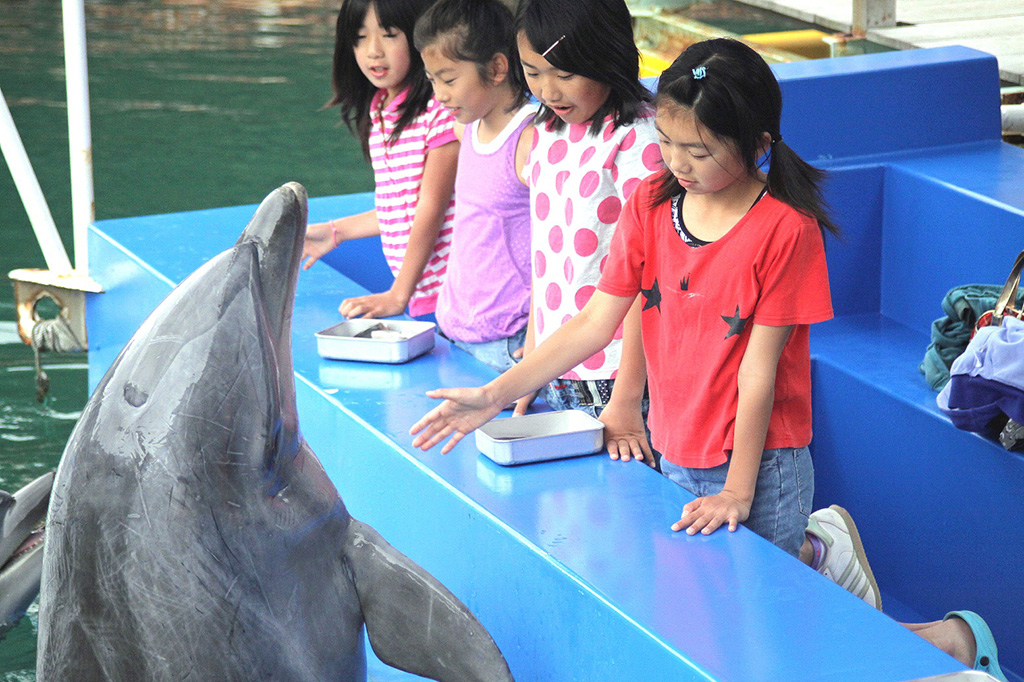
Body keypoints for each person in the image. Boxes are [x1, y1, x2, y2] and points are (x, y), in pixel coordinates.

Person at [411, 39, 1008, 679]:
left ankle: (946, 646)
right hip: (676, 445)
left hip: (760, 465)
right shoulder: (648, 204)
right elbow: (594, 322)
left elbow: (760, 374)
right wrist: (494, 395)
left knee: (762, 639)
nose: (678, 163)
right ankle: (832, 561)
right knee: (720, 621)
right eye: (668, 142)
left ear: (757, 143)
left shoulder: (785, 228)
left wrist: (737, 490)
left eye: (698, 151)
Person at [510, 0, 665, 465]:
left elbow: (648, 277)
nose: (547, 90)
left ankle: (813, 540)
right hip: (561, 364)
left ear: (607, 54)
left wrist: (626, 398)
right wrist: (533, 364)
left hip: (619, 371)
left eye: (564, 73)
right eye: (532, 73)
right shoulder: (546, 131)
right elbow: (545, 258)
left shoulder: (638, 138)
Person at [302, 0, 459, 320]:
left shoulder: (441, 110)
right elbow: (400, 206)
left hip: (452, 294)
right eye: (360, 37)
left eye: (389, 35)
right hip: (421, 292)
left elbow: (432, 207)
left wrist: (398, 294)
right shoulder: (380, 109)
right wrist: (335, 232)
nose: (373, 51)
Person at [412, 0, 535, 372]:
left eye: (449, 80)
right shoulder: (465, 127)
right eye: (433, 80)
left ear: (497, 67)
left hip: (511, 342)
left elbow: (555, 246)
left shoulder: (531, 139)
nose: (440, 94)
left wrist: (538, 336)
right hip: (456, 330)